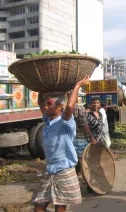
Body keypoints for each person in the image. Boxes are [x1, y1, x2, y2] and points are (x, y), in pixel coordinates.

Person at [32, 76, 90, 212]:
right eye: (46, 104)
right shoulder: (47, 120)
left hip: (64, 170)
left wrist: (77, 86)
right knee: (39, 206)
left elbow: (70, 106)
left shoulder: (66, 122)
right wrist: (41, 89)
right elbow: (40, 103)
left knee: (60, 208)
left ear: (60, 106)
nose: (45, 107)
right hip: (50, 170)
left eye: (49, 104)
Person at [73, 103, 96, 174]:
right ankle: (87, 179)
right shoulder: (79, 107)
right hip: (80, 139)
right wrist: (92, 137)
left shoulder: (62, 107)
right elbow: (84, 125)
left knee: (74, 161)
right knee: (83, 160)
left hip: (69, 140)